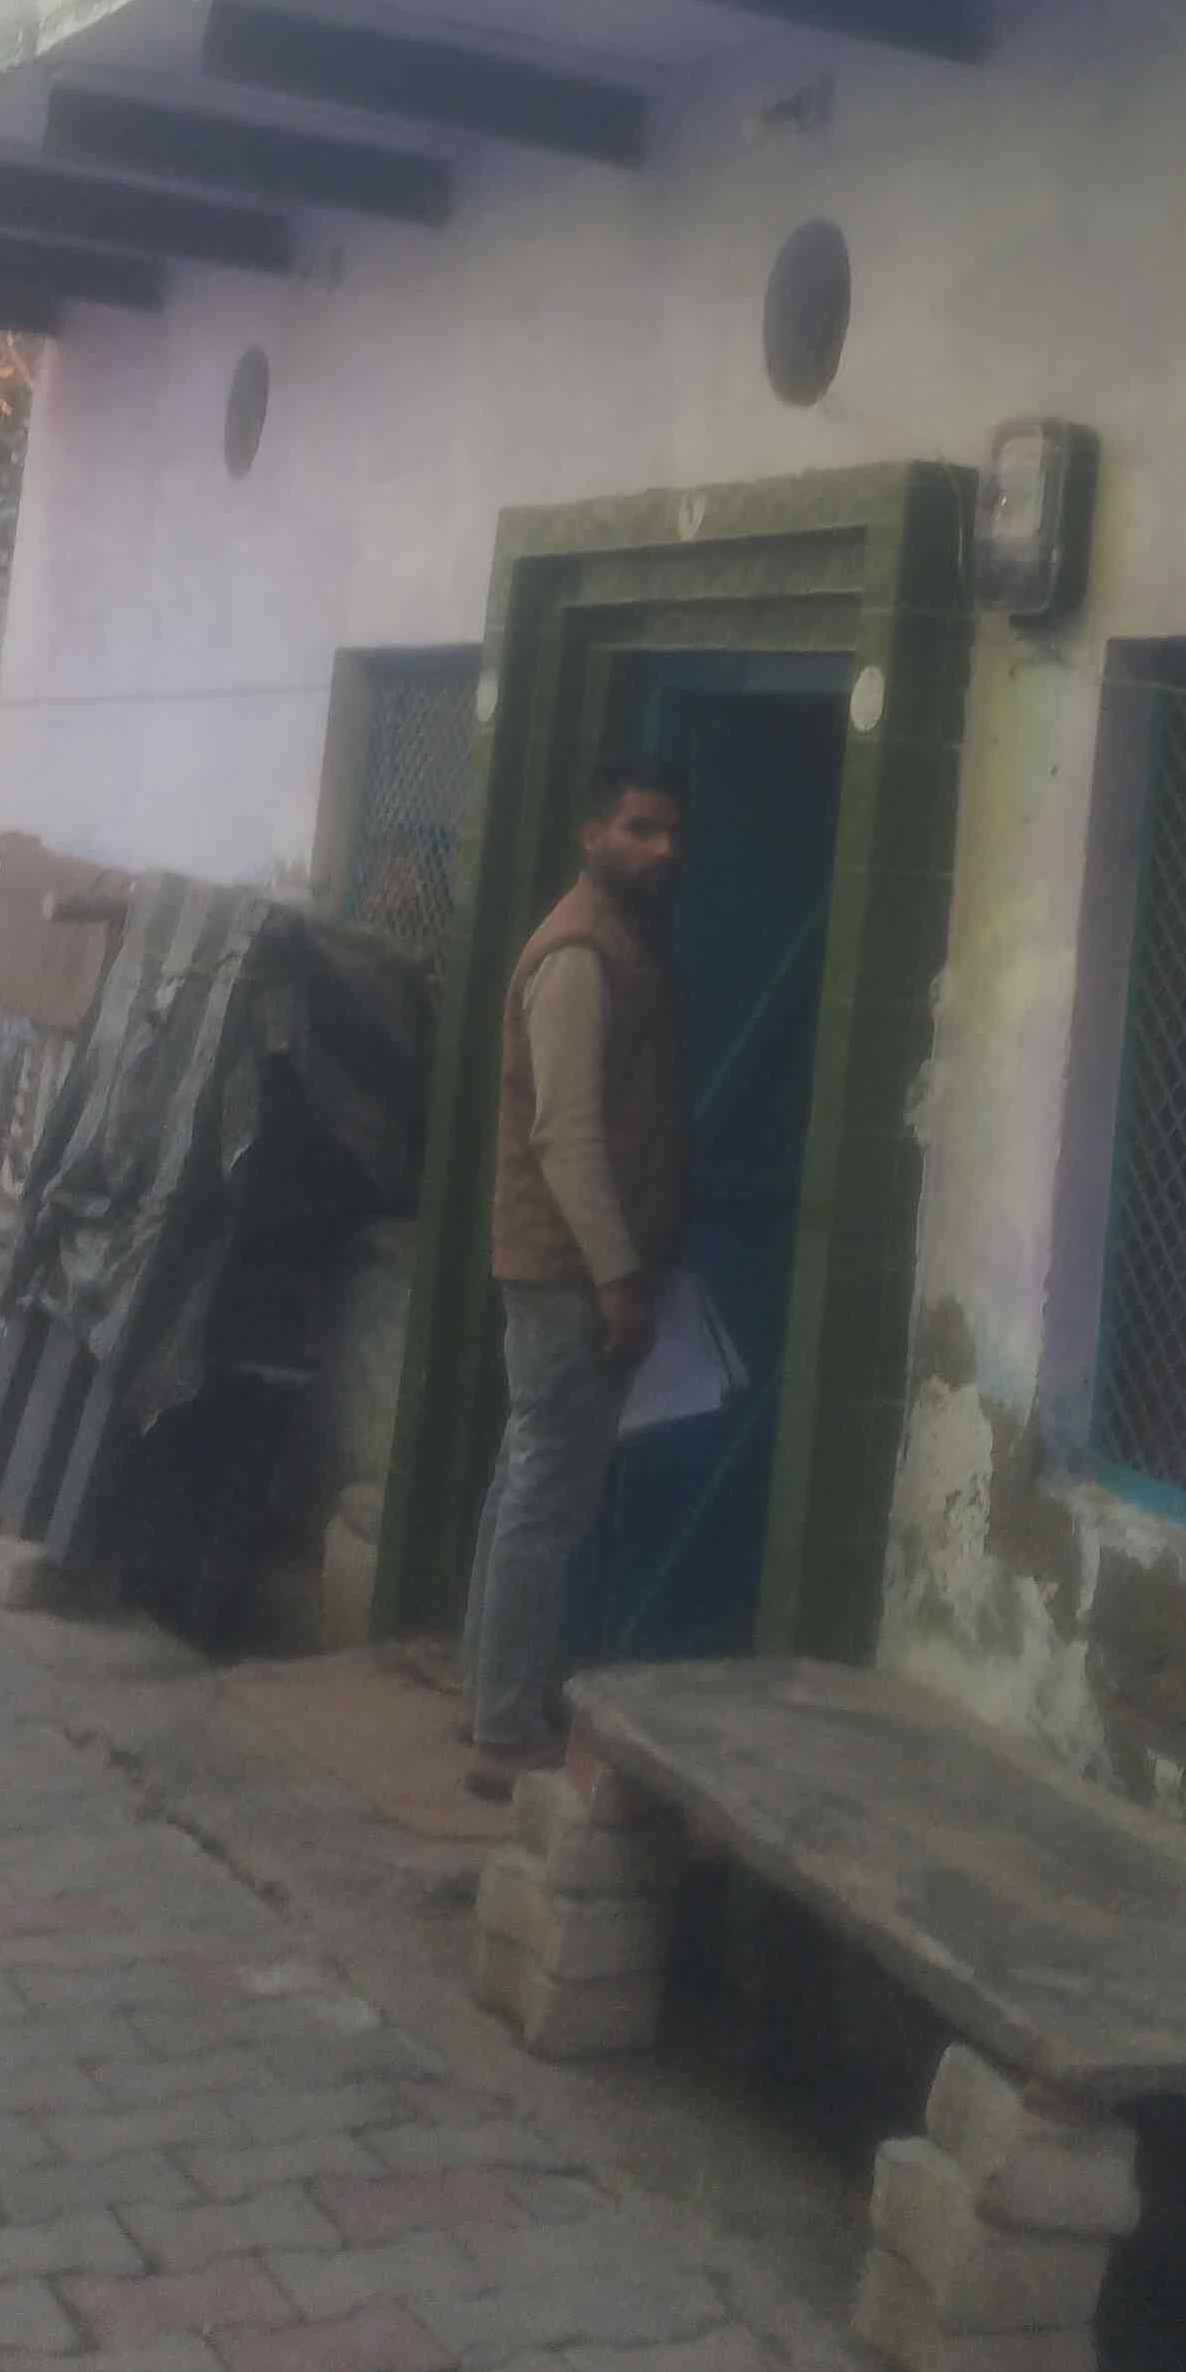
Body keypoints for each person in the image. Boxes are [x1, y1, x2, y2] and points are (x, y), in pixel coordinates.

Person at [459, 751, 692, 1795]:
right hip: (565, 1272)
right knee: (545, 1493)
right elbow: (565, 1135)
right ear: (592, 835)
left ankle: (492, 1699)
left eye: (670, 833)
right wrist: (616, 1277)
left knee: (526, 1482)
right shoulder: (579, 957)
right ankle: (505, 1728)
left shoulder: (615, 945)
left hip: (562, 1265)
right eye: (639, 829)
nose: (660, 850)